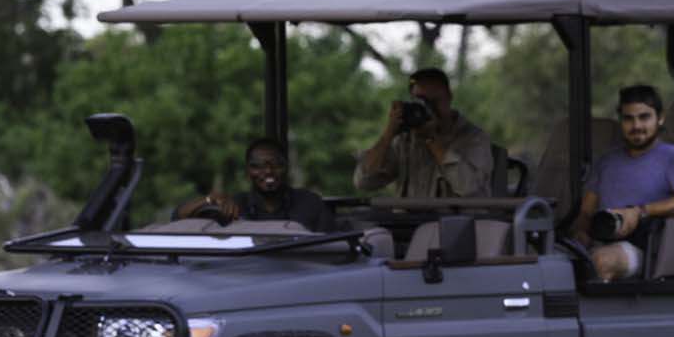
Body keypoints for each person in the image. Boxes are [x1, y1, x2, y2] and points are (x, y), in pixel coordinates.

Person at [569, 84, 674, 281]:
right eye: (628, 118)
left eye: (644, 117)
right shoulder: (607, 161)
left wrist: (639, 211)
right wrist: (581, 232)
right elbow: (586, 212)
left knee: (600, 261)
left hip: (645, 248)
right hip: (600, 240)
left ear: (660, 118)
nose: (636, 126)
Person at [353, 67, 492, 198]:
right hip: (406, 221)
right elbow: (364, 182)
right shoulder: (404, 140)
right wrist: (389, 133)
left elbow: (470, 188)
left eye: (435, 101)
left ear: (449, 98)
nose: (428, 108)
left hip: (452, 221)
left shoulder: (473, 138)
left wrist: (432, 141)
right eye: (422, 101)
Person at [175, 138, 333, 231]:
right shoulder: (233, 206)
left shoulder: (310, 203)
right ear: (248, 170)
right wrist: (210, 200)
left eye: (276, 164)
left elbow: (332, 249)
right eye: (257, 166)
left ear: (287, 167)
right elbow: (178, 218)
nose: (268, 171)